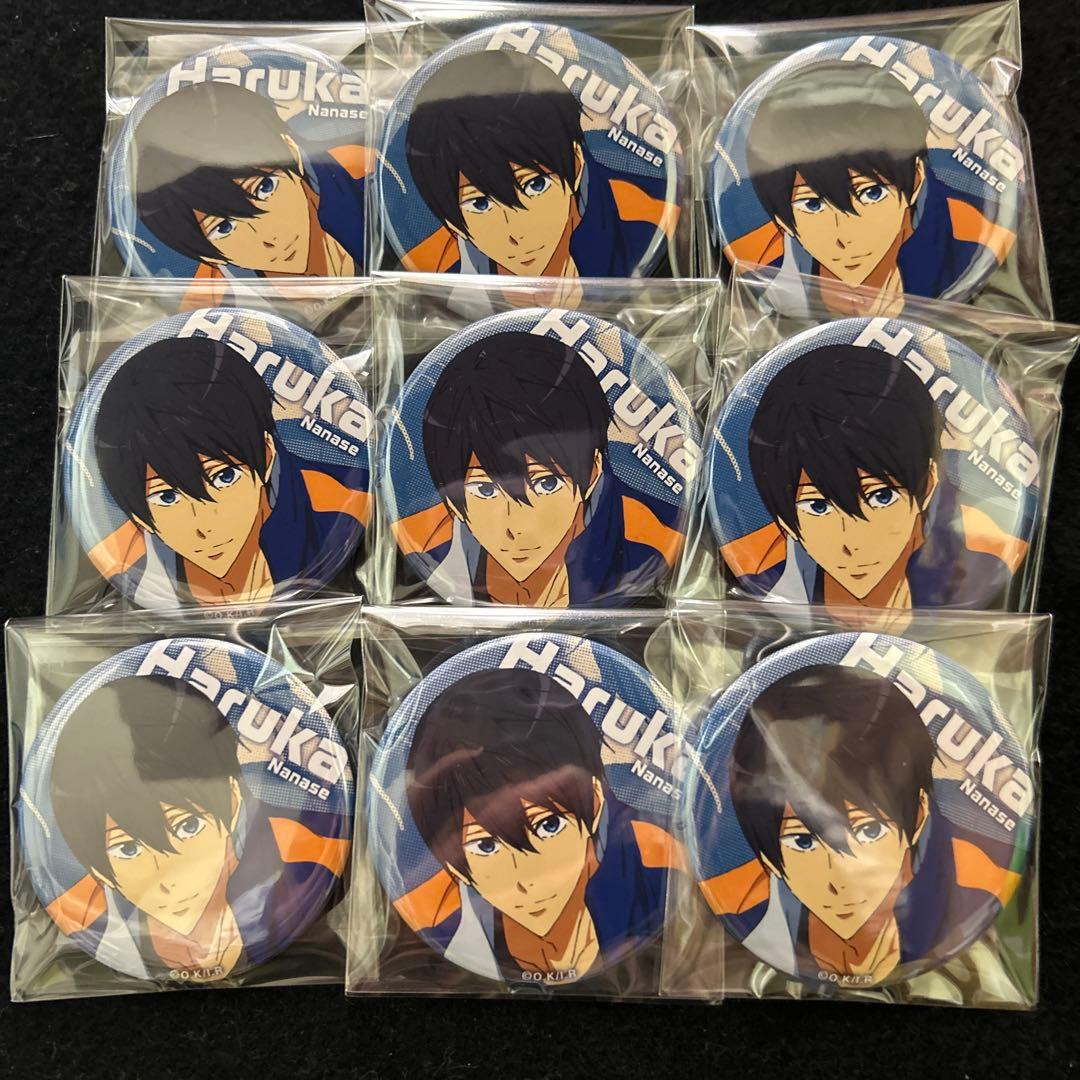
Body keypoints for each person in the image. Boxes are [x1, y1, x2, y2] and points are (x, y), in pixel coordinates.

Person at [700, 665, 1019, 985]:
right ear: (768, 859)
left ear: (919, 816)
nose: (839, 880)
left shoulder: (973, 883)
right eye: (803, 842)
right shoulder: (738, 904)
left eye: (869, 831)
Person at [46, 675, 349, 981]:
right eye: (127, 849)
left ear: (234, 802)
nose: (169, 877)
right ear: (96, 870)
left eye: (188, 827)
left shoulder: (303, 853)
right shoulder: (81, 912)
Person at [398, 667, 680, 982]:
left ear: (595, 800)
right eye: (486, 846)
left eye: (548, 825)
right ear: (453, 866)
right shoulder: (434, 913)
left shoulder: (660, 865)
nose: (526, 879)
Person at [729, 344, 1024, 616]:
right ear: (783, 520)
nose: (853, 543)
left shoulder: (981, 563)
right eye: (818, 506)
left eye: (881, 497)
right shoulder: (765, 579)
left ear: (927, 486)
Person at [394, 331, 682, 606]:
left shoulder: (650, 539)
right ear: (451, 502)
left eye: (547, 484)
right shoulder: (425, 543)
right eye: (485, 489)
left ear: (593, 472)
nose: (516, 527)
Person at [90, 335, 368, 606]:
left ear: (267, 455)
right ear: (140, 517)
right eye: (167, 497)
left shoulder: (338, 507)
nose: (205, 526)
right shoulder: (121, 557)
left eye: (224, 477)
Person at [725, 61, 1015, 315]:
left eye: (871, 194)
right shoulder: (760, 269)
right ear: (781, 219)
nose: (845, 236)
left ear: (916, 180)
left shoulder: (972, 240)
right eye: (813, 205)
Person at [402, 49, 677, 277]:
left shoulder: (647, 217)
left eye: (535, 185)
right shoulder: (434, 268)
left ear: (576, 164)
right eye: (480, 204)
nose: (517, 232)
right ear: (452, 224)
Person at [132, 80, 368, 288]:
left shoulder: (366, 179)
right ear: (210, 257)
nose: (270, 237)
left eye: (265, 188)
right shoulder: (206, 296)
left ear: (293, 152)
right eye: (224, 228)